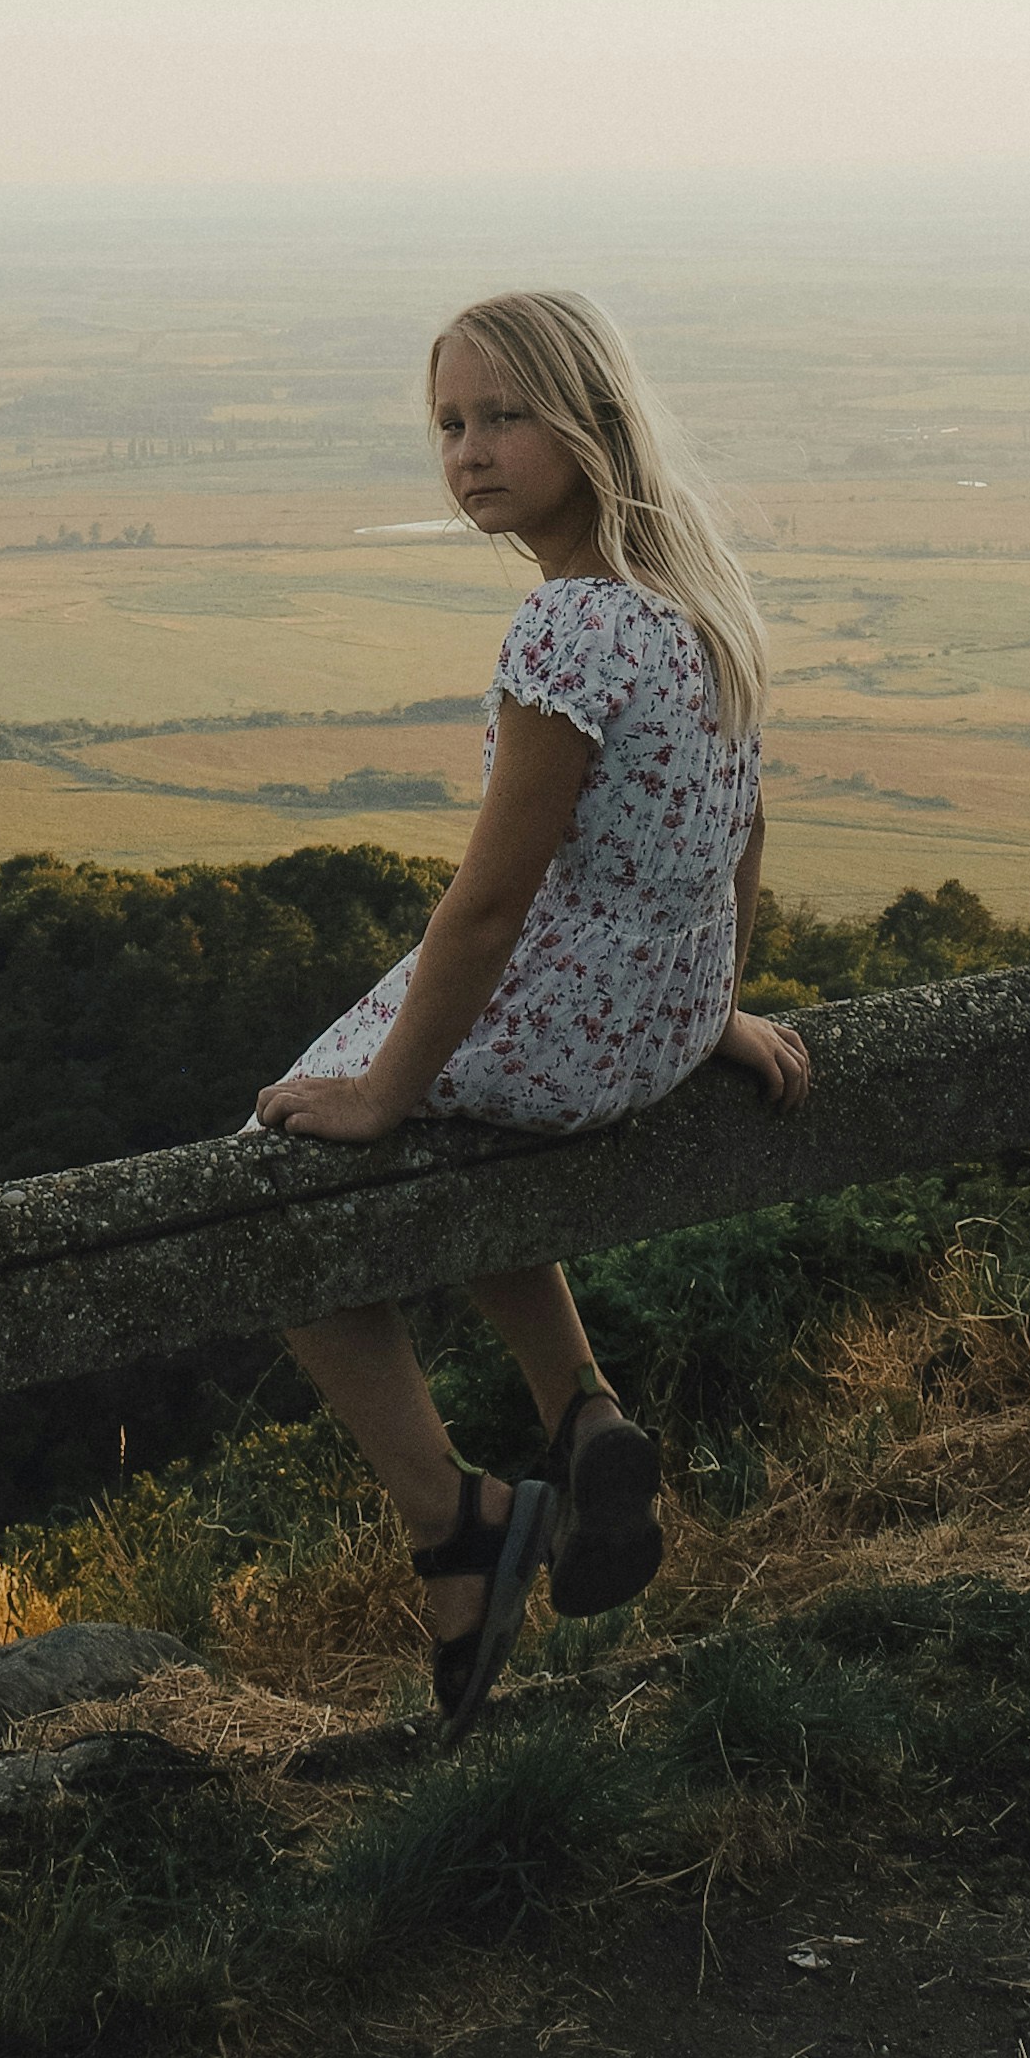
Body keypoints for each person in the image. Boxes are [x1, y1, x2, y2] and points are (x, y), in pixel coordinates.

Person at [252, 287, 811, 1733]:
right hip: (656, 1021)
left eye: (506, 416)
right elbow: (742, 839)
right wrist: (712, 1015)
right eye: (450, 424)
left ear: (592, 423)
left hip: (566, 1027)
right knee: (470, 1111)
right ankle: (581, 1409)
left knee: (267, 1193)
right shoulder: (700, 604)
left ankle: (458, 1521)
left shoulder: (565, 634)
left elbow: (489, 909)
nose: (471, 452)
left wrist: (383, 1091)